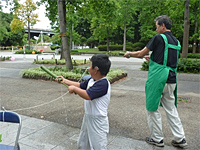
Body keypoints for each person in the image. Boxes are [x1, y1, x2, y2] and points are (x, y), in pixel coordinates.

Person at [124, 15, 187, 148]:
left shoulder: (158, 38)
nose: (156, 28)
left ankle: (157, 138)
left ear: (163, 26)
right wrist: (152, 58)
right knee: (171, 108)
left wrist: (129, 53)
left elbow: (141, 53)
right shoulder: (176, 41)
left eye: (157, 26)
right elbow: (168, 58)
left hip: (158, 79)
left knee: (152, 108)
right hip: (171, 79)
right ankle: (180, 138)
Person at [56, 54, 111, 150]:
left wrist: (74, 89)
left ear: (96, 70)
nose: (88, 68)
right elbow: (80, 85)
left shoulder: (103, 83)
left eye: (90, 66)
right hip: (88, 117)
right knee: (83, 143)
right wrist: (64, 81)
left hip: (98, 121)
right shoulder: (92, 80)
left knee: (99, 146)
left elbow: (88, 95)